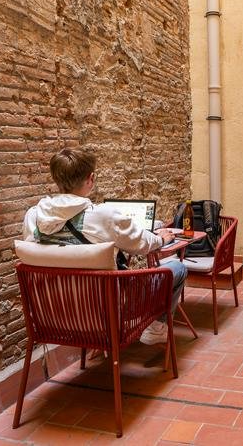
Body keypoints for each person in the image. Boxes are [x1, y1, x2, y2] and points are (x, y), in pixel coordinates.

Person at [22, 147, 186, 346]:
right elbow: (141, 244)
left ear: (56, 179)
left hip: (52, 315)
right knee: (177, 268)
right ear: (90, 179)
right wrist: (160, 239)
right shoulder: (103, 216)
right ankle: (155, 330)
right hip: (106, 314)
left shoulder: (33, 216)